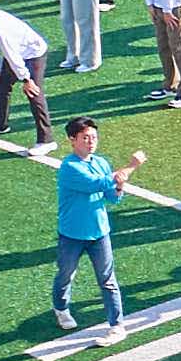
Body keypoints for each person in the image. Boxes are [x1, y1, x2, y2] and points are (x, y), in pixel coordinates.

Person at [43, 118, 145, 330]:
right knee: (65, 275)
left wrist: (119, 187)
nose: (91, 142)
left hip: (99, 232)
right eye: (85, 138)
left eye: (94, 137)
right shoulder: (69, 167)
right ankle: (61, 308)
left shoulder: (101, 163)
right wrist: (131, 167)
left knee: (108, 280)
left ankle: (116, 325)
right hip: (72, 234)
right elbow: (95, 184)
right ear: (72, 139)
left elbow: (112, 197)